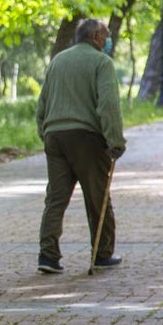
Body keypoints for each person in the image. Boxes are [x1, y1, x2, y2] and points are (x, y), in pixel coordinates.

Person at [36, 17, 126, 274]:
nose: (109, 41)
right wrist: (115, 141)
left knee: (55, 198)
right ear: (96, 37)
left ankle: (48, 255)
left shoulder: (58, 61)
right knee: (98, 197)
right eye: (107, 36)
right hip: (86, 137)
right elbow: (108, 105)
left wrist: (45, 133)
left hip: (55, 135)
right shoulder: (101, 62)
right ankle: (102, 253)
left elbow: (42, 104)